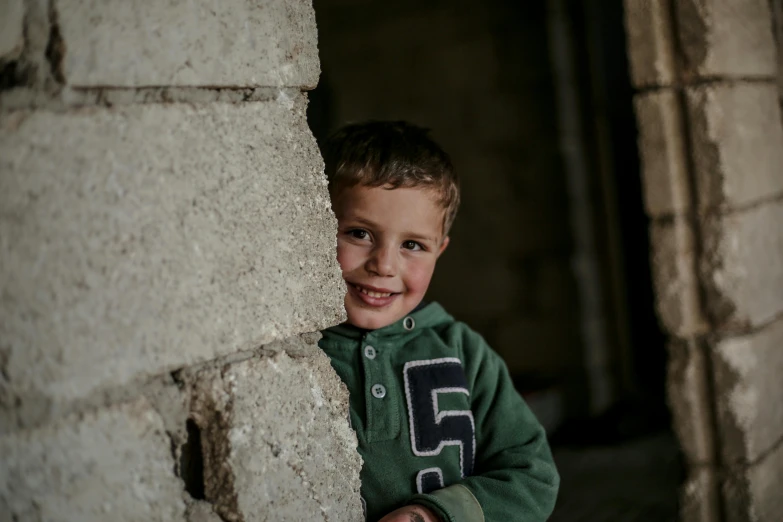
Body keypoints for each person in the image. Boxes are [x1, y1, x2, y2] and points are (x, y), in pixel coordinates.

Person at [318, 121, 559, 522]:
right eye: (359, 233)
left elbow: (532, 474)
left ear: (440, 250)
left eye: (412, 245)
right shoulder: (297, 354)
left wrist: (433, 516)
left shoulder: (464, 353)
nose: (384, 265)